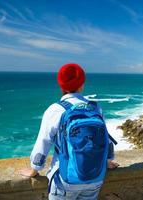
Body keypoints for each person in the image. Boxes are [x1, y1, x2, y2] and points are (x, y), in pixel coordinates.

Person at [19, 63, 119, 200]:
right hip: (95, 177)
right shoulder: (95, 108)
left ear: (61, 86)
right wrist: (108, 161)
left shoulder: (55, 110)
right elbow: (104, 138)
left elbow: (43, 142)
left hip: (65, 180)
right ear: (82, 85)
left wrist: (34, 169)